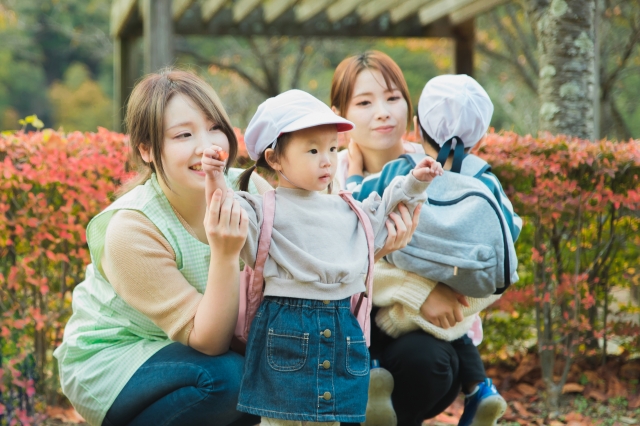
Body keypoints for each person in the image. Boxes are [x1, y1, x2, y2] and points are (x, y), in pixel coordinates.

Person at [200, 89, 443, 426]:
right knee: (281, 421)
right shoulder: (264, 208)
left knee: (333, 420)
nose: (327, 159)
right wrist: (213, 175)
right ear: (274, 159)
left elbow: (386, 207)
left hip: (344, 325)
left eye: (332, 148)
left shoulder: (349, 207)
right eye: (313, 150)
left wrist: (415, 183)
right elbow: (225, 212)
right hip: (286, 325)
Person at [53, 70, 272, 426]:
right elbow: (210, 342)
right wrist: (225, 253)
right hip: (115, 358)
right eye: (184, 134)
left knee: (262, 376)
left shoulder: (249, 189)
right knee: (227, 380)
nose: (208, 146)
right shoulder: (132, 228)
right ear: (147, 149)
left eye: (214, 127)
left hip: (196, 351)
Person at [330, 51, 508, 426]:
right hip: (351, 335)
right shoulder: (326, 173)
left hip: (436, 335)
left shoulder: (433, 166)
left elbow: (488, 258)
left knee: (433, 361)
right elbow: (334, 262)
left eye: (393, 97)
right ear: (338, 114)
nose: (383, 112)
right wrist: (421, 292)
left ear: (412, 112)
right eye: (364, 102)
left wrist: (454, 296)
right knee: (431, 360)